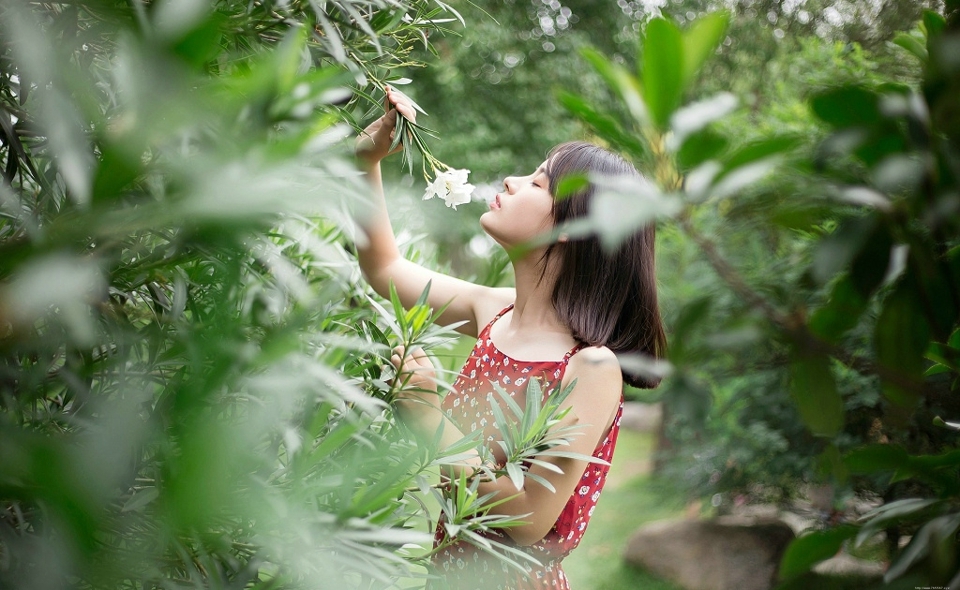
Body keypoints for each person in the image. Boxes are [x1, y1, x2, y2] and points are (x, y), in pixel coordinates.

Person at [354, 88, 666, 590]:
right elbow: (383, 267)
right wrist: (365, 163)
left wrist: (430, 414)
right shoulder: (492, 311)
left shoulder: (589, 368)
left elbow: (526, 517)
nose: (511, 180)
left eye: (538, 181)